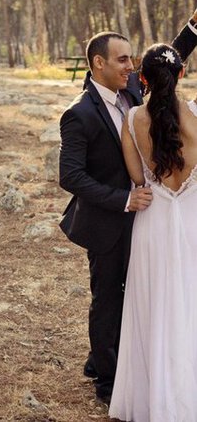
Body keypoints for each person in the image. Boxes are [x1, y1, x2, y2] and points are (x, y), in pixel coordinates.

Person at [59, 11, 197, 405]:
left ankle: (119, 363)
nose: (131, 67)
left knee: (143, 295)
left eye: (134, 61)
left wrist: (193, 28)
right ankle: (106, 381)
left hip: (148, 213)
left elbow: (167, 63)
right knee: (108, 298)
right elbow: (70, 176)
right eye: (122, 60)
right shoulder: (80, 113)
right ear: (98, 63)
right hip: (109, 218)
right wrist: (123, 199)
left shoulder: (135, 92)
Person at [109, 43, 197, 422]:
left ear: (141, 78)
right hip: (191, 218)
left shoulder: (132, 119)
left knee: (154, 307)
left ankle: (153, 398)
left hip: (154, 219)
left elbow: (135, 176)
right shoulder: (195, 114)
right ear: (180, 76)